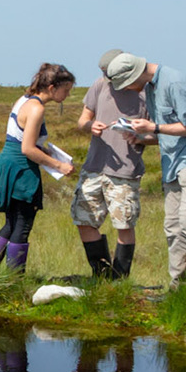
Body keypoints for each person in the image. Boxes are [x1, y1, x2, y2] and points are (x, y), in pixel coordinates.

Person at [106, 50, 186, 286]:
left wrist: (153, 126)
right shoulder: (151, 87)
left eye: (127, 84)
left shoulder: (175, 82)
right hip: (172, 164)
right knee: (173, 227)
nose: (129, 89)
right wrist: (142, 137)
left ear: (136, 73)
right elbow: (170, 133)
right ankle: (178, 287)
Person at [70, 55, 156, 280]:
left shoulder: (146, 93)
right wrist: (90, 125)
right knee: (83, 220)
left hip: (125, 172)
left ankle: (119, 281)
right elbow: (82, 120)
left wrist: (140, 137)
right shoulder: (100, 85)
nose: (106, 77)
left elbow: (159, 133)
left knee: (124, 224)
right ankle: (102, 275)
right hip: (94, 168)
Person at [0, 63, 77, 272]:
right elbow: (27, 149)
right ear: (52, 87)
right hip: (21, 169)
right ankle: (15, 281)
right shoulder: (37, 108)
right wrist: (59, 165)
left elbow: (20, 140)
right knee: (22, 225)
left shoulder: (24, 99)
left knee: (11, 224)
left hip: (8, 164)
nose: (68, 94)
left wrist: (44, 151)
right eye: (66, 90)